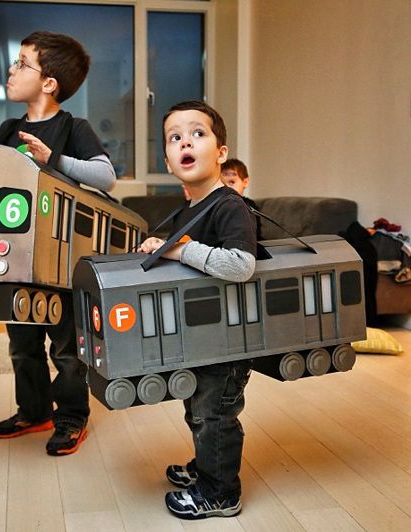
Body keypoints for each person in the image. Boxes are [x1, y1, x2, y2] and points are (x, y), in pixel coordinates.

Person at [0, 31, 116, 456]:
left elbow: (105, 177)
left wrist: (54, 160)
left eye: (22, 63)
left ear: (49, 83)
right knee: (22, 341)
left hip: (61, 259)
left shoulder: (72, 128)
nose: (11, 70)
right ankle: (34, 410)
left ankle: (70, 418)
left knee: (65, 346)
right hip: (17, 257)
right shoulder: (9, 129)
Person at [139, 100, 257, 520]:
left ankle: (221, 492)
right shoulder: (188, 210)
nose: (185, 140)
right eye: (175, 137)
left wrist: (183, 250)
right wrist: (165, 249)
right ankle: (207, 469)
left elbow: (241, 266)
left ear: (221, 153)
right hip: (200, 336)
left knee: (216, 416)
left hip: (225, 341)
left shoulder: (229, 205)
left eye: (198, 133)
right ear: (169, 161)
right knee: (197, 409)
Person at [221, 158, 263, 239]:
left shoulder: (249, 206)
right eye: (222, 183)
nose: (226, 187)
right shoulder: (216, 205)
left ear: (245, 182)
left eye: (232, 182)